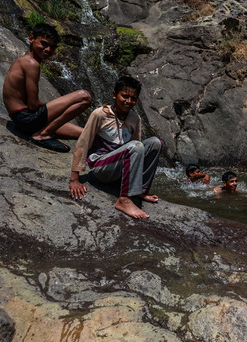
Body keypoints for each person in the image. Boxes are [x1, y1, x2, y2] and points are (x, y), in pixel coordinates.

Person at [69, 76, 162, 219]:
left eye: (133, 98)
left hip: (119, 167)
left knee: (155, 142)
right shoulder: (100, 114)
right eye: (125, 96)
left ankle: (139, 190)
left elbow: (137, 149)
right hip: (101, 167)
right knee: (135, 146)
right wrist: (74, 179)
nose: (129, 101)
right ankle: (124, 200)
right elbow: (83, 143)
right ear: (114, 95)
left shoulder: (134, 118)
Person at [2, 23, 91, 152]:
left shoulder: (23, 60)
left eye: (52, 47)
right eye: (44, 44)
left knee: (88, 133)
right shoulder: (31, 64)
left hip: (23, 121)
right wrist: (58, 107)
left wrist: (54, 110)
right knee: (84, 96)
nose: (48, 50)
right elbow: (33, 105)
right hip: (26, 119)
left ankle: (44, 131)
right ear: (31, 38)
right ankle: (43, 135)